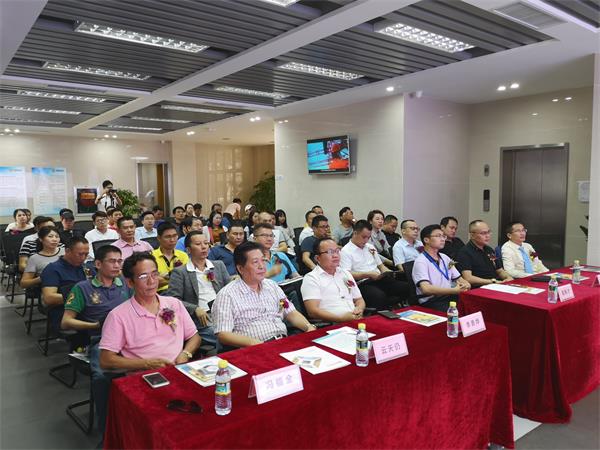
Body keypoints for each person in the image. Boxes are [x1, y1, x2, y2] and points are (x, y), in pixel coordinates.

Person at [98, 252, 200, 429]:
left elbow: (194, 336)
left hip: (180, 370)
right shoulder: (118, 316)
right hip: (145, 379)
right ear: (130, 282)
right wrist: (147, 364)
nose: (152, 281)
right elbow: (106, 360)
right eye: (143, 277)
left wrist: (185, 353)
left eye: (154, 274)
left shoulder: (173, 303)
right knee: (165, 425)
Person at [212, 241, 316, 348]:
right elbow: (223, 334)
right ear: (240, 269)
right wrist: (255, 344)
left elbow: (290, 312)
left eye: (263, 260)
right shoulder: (227, 295)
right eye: (255, 262)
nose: (262, 266)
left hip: (283, 341)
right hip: (254, 348)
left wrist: (308, 327)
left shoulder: (272, 285)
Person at [167, 231, 230, 346]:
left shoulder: (218, 265)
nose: (204, 247)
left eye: (206, 243)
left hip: (224, 312)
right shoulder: (180, 272)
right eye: (198, 244)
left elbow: (229, 290)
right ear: (188, 250)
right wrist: (195, 308)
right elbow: (173, 300)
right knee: (224, 335)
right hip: (202, 318)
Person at [340, 220, 409, 309]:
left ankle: (401, 311)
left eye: (368, 237)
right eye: (363, 237)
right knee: (379, 296)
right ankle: (384, 314)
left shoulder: (370, 247)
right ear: (355, 233)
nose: (366, 240)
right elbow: (347, 274)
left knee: (406, 287)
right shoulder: (346, 251)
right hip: (363, 283)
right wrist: (368, 274)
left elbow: (381, 266)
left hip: (379, 279)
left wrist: (388, 272)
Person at [301, 237, 366, 322]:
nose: (335, 255)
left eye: (337, 251)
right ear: (317, 258)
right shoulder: (311, 278)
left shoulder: (345, 273)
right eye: (330, 252)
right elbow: (312, 311)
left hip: (355, 319)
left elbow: (359, 299)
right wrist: (340, 319)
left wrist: (359, 309)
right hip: (332, 323)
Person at [412, 224, 471, 312]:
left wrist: (466, 284)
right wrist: (453, 290)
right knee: (457, 312)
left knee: (473, 306)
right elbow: (426, 289)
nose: (443, 239)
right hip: (432, 300)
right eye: (438, 236)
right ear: (426, 240)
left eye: (443, 236)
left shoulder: (445, 258)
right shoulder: (421, 261)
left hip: (449, 296)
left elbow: (460, 279)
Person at [40, 236, 90, 331]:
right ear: (67, 251)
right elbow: (49, 298)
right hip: (63, 311)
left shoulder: (87, 267)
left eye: (86, 254)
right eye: (80, 254)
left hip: (88, 307)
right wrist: (81, 297)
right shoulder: (53, 269)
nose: (83, 258)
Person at [456, 220, 513, 287]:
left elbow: (499, 270)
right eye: (483, 233)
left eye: (489, 232)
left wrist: (508, 277)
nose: (487, 235)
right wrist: (492, 281)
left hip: (496, 284)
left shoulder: (489, 250)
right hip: (480, 288)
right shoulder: (465, 252)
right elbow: (468, 278)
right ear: (472, 235)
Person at [152, 222, 189, 292]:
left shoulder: (183, 255)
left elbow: (187, 279)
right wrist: (177, 277)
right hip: (161, 293)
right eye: (168, 237)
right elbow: (152, 282)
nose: (172, 240)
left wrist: (164, 277)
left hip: (181, 291)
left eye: (175, 236)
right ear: (159, 238)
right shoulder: (151, 257)